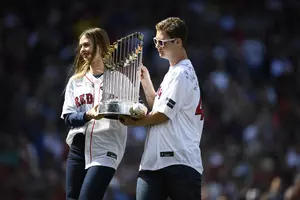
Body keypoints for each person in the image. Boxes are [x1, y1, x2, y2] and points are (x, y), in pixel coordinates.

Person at [119, 17, 204, 200]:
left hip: (180, 163)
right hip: (154, 163)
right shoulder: (173, 72)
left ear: (178, 42)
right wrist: (146, 81)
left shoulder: (182, 73)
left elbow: (162, 115)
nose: (157, 45)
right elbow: (157, 106)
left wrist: (133, 122)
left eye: (162, 42)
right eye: (156, 41)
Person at [61, 27, 128, 200]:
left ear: (101, 46)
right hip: (77, 148)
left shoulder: (119, 79)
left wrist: (109, 111)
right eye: (80, 46)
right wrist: (87, 115)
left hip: (106, 146)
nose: (82, 50)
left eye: (86, 45)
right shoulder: (76, 81)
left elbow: (131, 112)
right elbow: (68, 117)